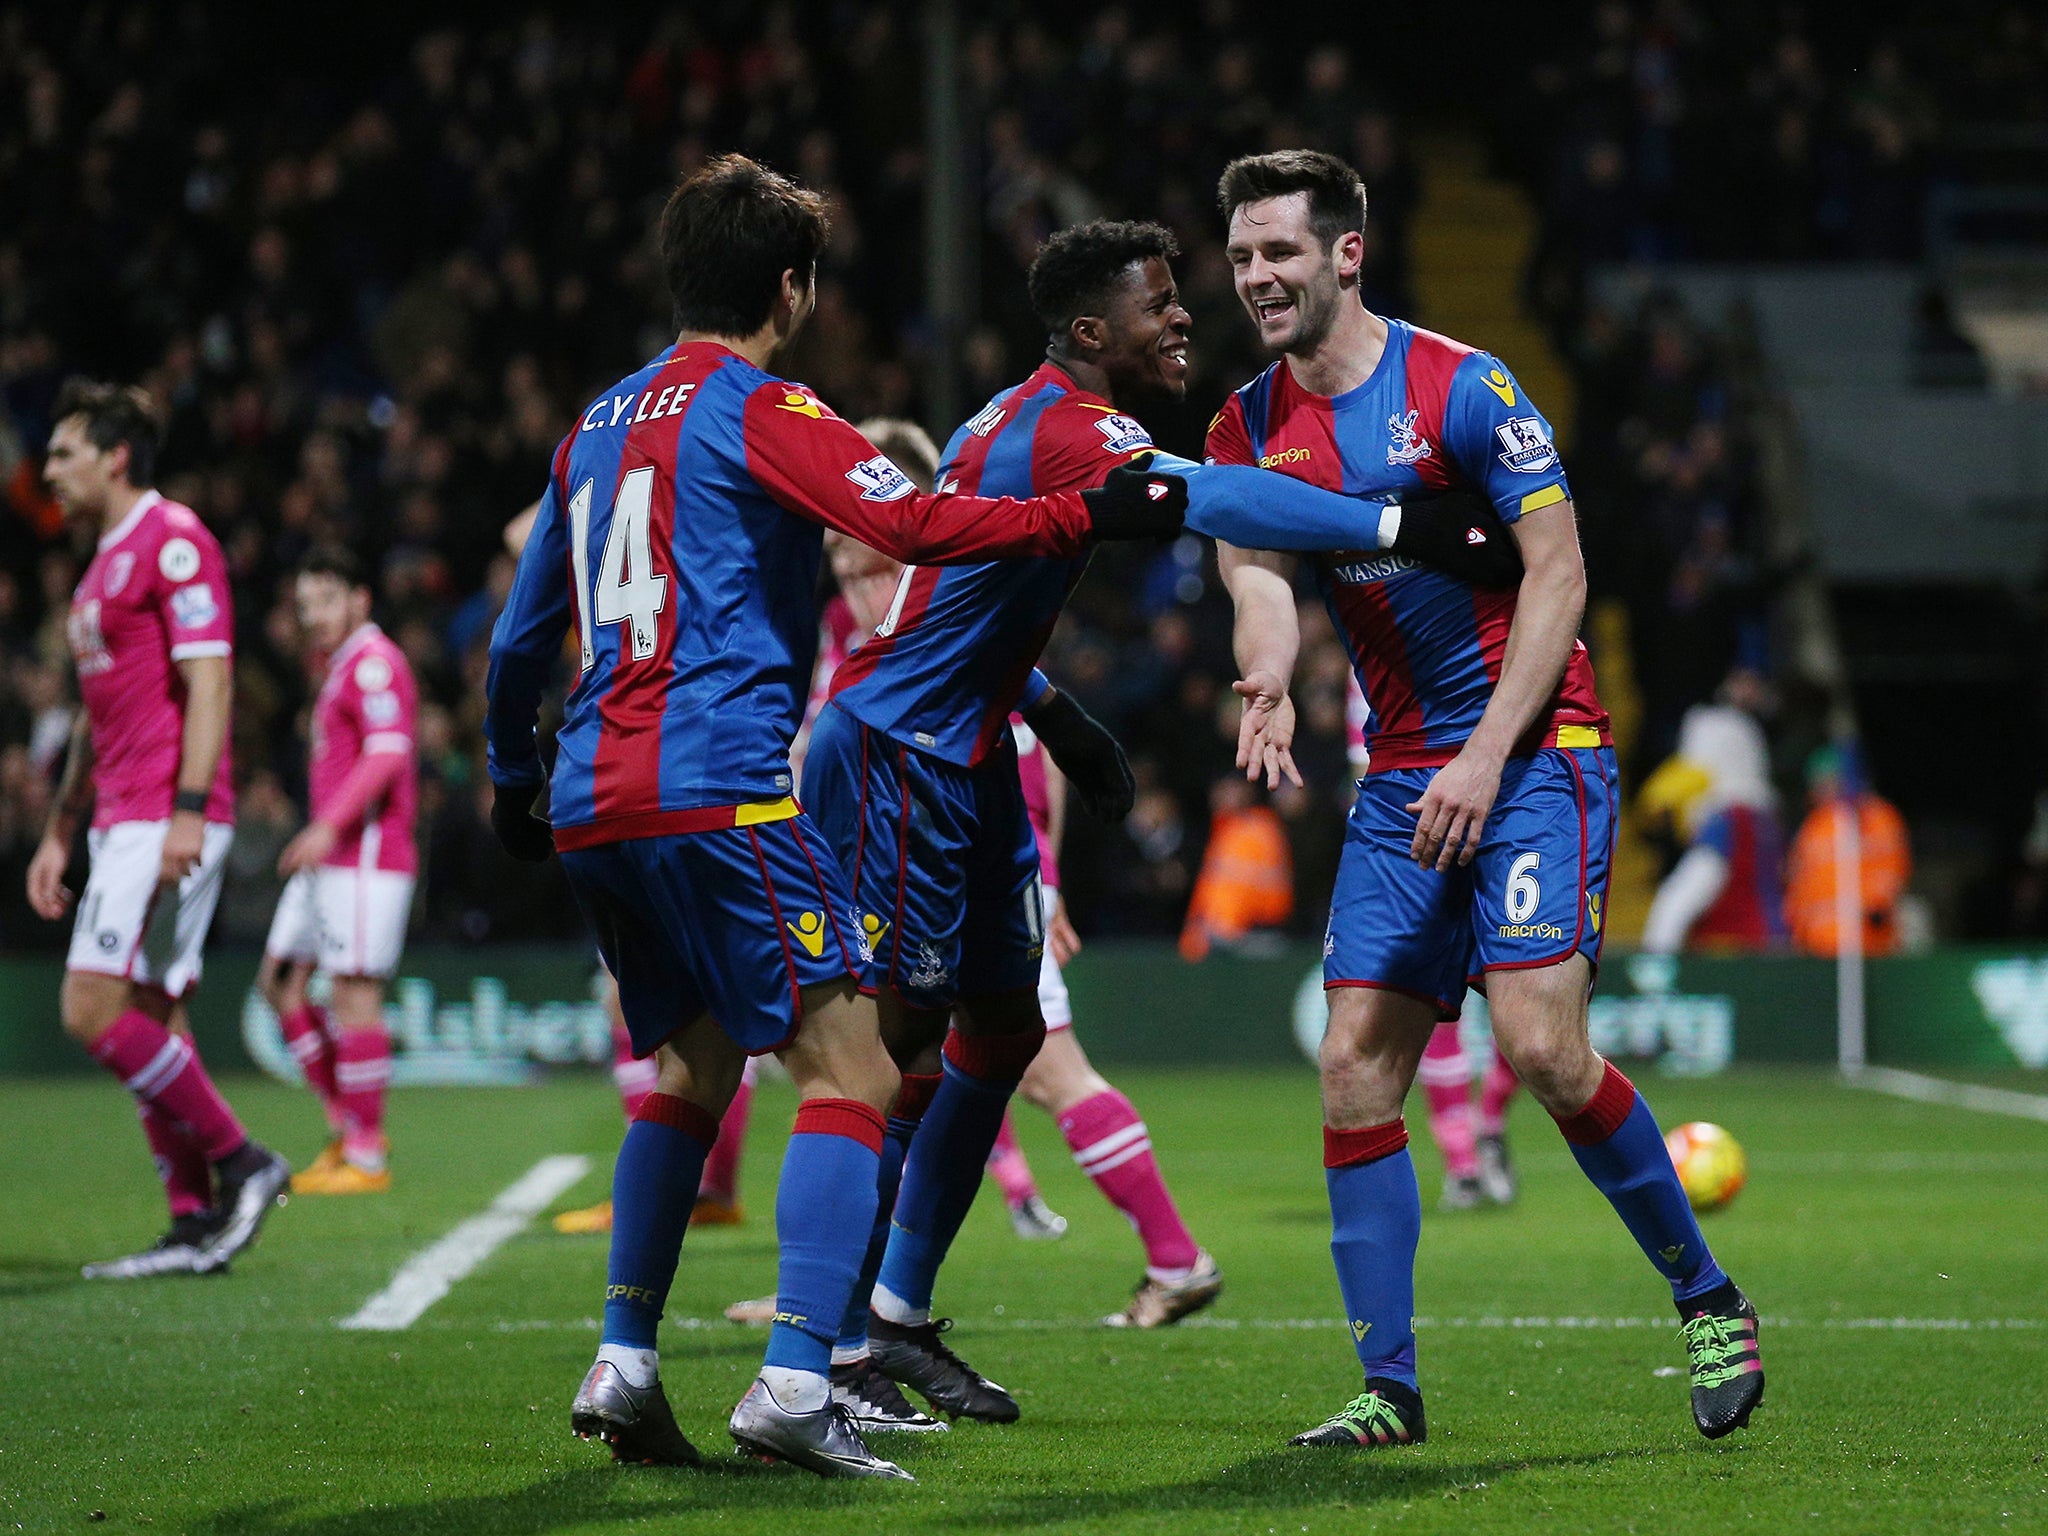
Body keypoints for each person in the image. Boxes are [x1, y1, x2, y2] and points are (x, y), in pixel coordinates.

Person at [483, 155, 1188, 1481]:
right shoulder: (764, 406)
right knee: (855, 1072)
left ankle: (626, 1359)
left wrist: (511, 778)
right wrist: (1066, 509)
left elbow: (525, 637)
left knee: (691, 1066)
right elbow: (915, 521)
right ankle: (804, 1375)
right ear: (790, 288)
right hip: (720, 788)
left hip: (592, 795)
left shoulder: (593, 425)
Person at [804, 220, 1521, 1430]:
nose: (1184, 319)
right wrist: (1394, 526)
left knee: (998, 1029)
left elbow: (958, 603)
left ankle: (894, 1316)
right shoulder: (1077, 428)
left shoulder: (1014, 420)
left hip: (968, 748)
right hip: (897, 757)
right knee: (895, 1056)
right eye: (1158, 306)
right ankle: (822, 1351)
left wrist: (1053, 711)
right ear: (1091, 334)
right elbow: (1208, 497)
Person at [1209, 150, 1763, 1449]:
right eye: (1240, 258)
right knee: (1354, 1070)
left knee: (1541, 1049)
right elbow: (1254, 567)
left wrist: (1483, 752)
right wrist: (1270, 678)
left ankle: (1710, 1298)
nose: (1257, 278)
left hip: (1532, 754)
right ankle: (1387, 1389)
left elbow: (1559, 575)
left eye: (1280, 252)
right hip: (1404, 772)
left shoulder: (1466, 387)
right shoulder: (1245, 423)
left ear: (1347, 254)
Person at [26, 380, 291, 1278]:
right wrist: (62, 830)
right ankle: (190, 1222)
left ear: (116, 457)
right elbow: (99, 721)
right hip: (118, 817)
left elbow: (211, 681)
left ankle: (246, 1165)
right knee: (149, 1012)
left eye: (62, 453)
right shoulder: (100, 566)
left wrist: (186, 811)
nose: (47, 471)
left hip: (164, 817)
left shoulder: (172, 540)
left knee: (88, 1009)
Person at [257, 548, 420, 1194]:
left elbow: (387, 756)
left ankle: (367, 1153)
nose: (314, 615)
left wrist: (326, 825)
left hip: (366, 854)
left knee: (354, 994)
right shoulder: (339, 667)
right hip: (332, 858)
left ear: (361, 598)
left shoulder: (375, 662)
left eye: (326, 599)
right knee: (279, 983)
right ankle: (344, 1125)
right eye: (305, 605)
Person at [1785, 743, 1910, 957]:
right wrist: (1797, 929)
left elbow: (1891, 868)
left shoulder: (1877, 817)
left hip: (1868, 943)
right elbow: (1798, 881)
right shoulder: (1813, 826)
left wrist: (1876, 905)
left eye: (1827, 781)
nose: (1820, 790)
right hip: (1817, 946)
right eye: (1816, 784)